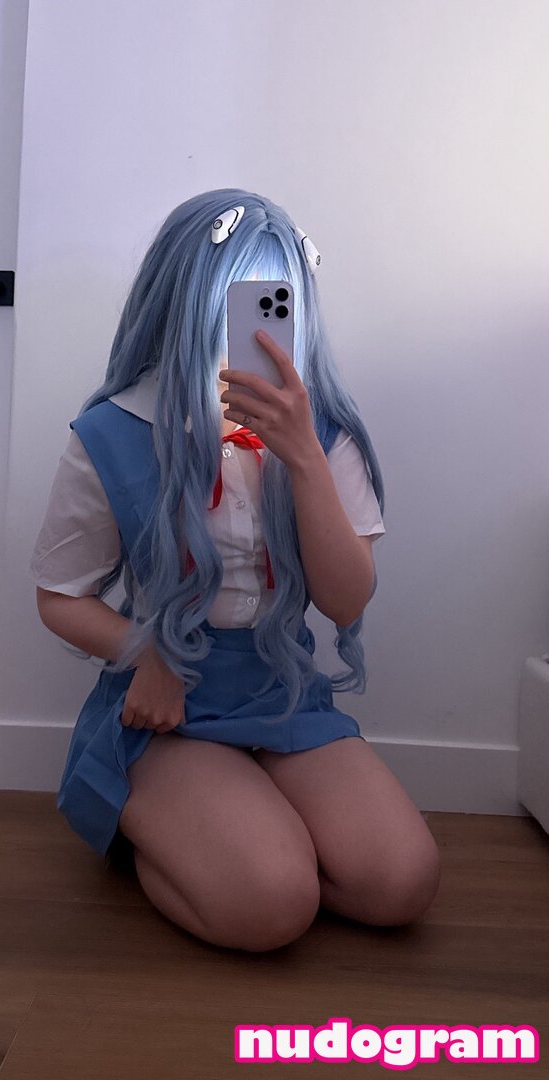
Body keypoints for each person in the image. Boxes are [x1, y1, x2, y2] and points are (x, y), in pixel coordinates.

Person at [29, 187, 441, 953]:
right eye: (237, 303)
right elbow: (59, 596)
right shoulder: (114, 432)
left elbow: (345, 601)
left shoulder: (324, 432)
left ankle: (241, 830)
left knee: (401, 883)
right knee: (271, 905)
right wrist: (145, 653)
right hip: (169, 702)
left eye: (275, 305)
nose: (256, 328)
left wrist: (304, 459)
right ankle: (172, 835)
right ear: (183, 300)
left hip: (280, 690)